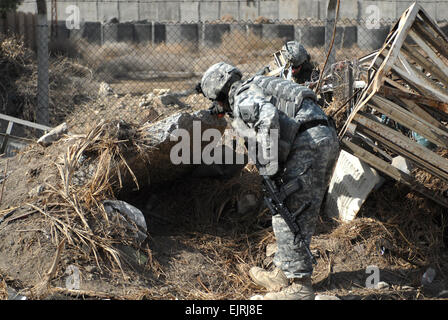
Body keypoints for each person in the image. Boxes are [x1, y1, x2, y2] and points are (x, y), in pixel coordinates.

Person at [199, 62, 339, 300]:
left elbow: (268, 117)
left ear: (220, 92)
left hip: (306, 144)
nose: (218, 107)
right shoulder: (258, 84)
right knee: (298, 210)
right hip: (324, 138)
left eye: (216, 101)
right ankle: (285, 271)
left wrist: (269, 166)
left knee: (289, 211)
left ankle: (300, 286)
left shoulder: (243, 97)